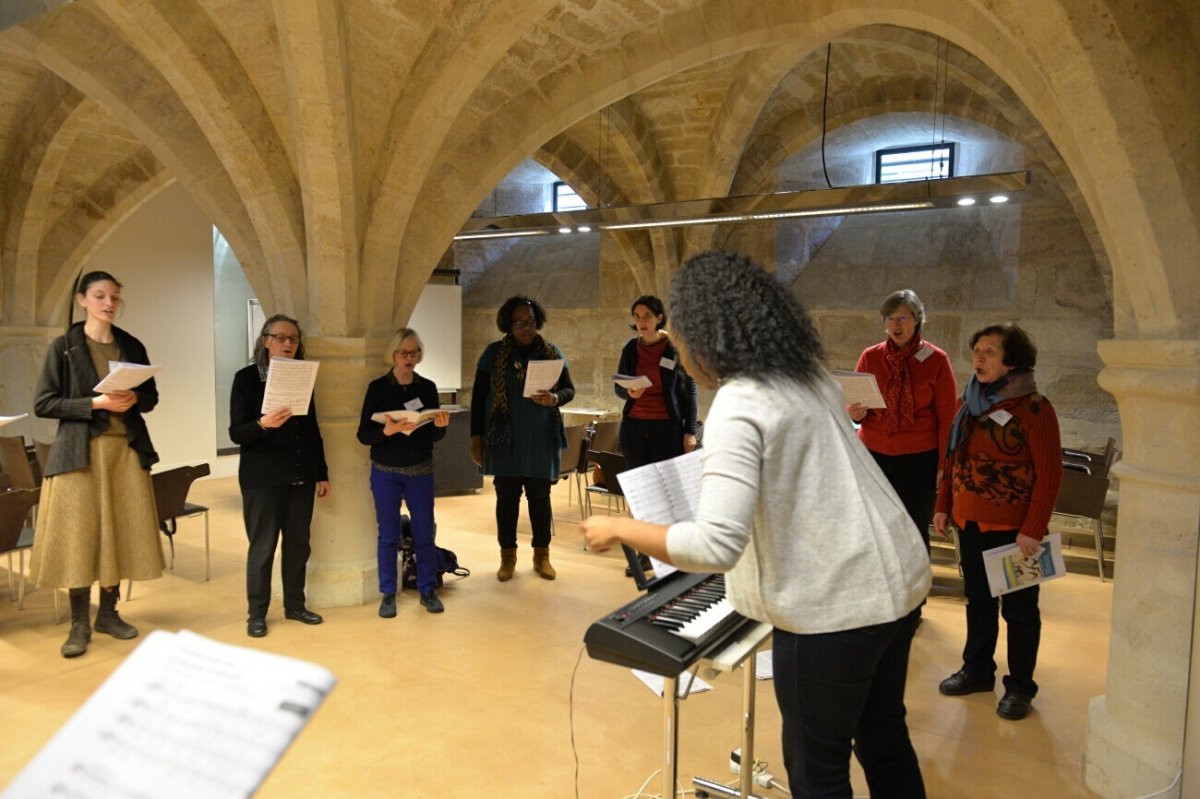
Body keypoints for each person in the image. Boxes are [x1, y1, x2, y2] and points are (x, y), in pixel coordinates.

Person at [582, 250, 930, 798]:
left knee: (817, 770)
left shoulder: (741, 402)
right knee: (884, 739)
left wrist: (620, 530)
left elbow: (715, 545)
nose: (674, 342)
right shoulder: (805, 375)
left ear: (707, 333)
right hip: (898, 582)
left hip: (837, 607)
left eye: (680, 330)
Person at [30, 270, 164, 658]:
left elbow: (151, 396)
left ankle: (109, 613)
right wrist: (95, 403)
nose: (109, 303)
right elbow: (44, 403)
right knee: (79, 537)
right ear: (82, 300)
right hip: (79, 452)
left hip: (125, 451)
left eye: (115, 297)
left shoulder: (132, 346)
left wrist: (134, 400)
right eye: (101, 296)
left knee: (119, 532)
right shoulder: (65, 347)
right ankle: (79, 623)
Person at [933, 323, 1063, 721]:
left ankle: (1020, 687)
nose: (979, 358)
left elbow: (1050, 473)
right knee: (979, 603)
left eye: (990, 351)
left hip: (1015, 531)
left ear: (1013, 361)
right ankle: (977, 670)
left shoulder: (1034, 408)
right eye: (977, 350)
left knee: (1021, 613)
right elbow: (953, 459)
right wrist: (943, 506)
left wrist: (1033, 528)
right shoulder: (968, 404)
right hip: (970, 522)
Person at [230, 314, 331, 638]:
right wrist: (263, 425)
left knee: (299, 546)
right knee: (262, 548)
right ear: (265, 341)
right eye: (281, 337)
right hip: (262, 479)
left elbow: (312, 430)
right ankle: (256, 614)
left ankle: (295, 605)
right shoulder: (246, 379)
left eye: (293, 339)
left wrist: (322, 473)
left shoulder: (303, 379)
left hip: (300, 475)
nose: (288, 344)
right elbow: (236, 432)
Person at [470, 295, 574, 582]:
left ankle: (542, 556)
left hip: (540, 439)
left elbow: (569, 391)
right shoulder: (492, 354)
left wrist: (554, 398)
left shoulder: (551, 353)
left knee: (540, 498)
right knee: (506, 498)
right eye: (519, 323)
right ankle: (507, 557)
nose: (526, 328)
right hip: (504, 440)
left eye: (530, 322)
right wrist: (475, 437)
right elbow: (478, 399)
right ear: (508, 324)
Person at [848, 290, 957, 551]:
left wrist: (944, 465)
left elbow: (947, 419)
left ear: (917, 320)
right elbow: (852, 405)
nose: (896, 324)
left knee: (913, 532)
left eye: (903, 318)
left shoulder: (936, 360)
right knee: (874, 530)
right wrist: (853, 412)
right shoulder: (870, 356)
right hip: (874, 456)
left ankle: (915, 592)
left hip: (918, 460)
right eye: (891, 318)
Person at [357, 328, 450, 615]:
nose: (409, 358)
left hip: (420, 470)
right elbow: (363, 434)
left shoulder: (427, 387)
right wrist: (387, 430)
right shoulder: (378, 388)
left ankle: (427, 589)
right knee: (388, 535)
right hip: (385, 470)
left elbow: (434, 438)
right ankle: (388, 593)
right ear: (393, 355)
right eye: (404, 353)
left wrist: (440, 426)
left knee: (424, 533)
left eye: (414, 353)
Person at [614, 295, 699, 468]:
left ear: (659, 318)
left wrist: (690, 431)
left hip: (666, 428)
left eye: (647, 316)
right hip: (633, 427)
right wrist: (628, 392)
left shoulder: (675, 348)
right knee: (639, 487)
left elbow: (690, 391)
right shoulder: (630, 348)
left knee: (664, 488)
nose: (641, 321)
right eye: (637, 316)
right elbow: (618, 387)